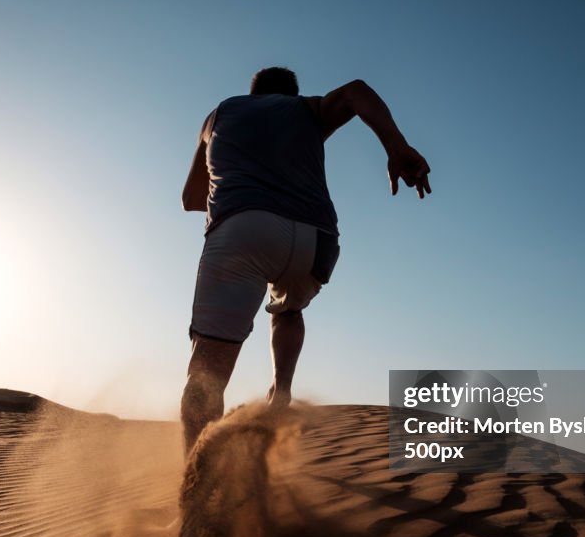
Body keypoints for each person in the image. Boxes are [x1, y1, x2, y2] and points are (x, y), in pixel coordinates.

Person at [179, 66, 431, 453]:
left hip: (243, 231)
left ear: (253, 93)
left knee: (206, 375)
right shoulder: (309, 110)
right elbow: (356, 90)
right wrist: (396, 148)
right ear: (291, 94)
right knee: (288, 310)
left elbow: (190, 199)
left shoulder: (220, 115)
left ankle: (197, 499)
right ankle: (281, 392)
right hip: (317, 240)